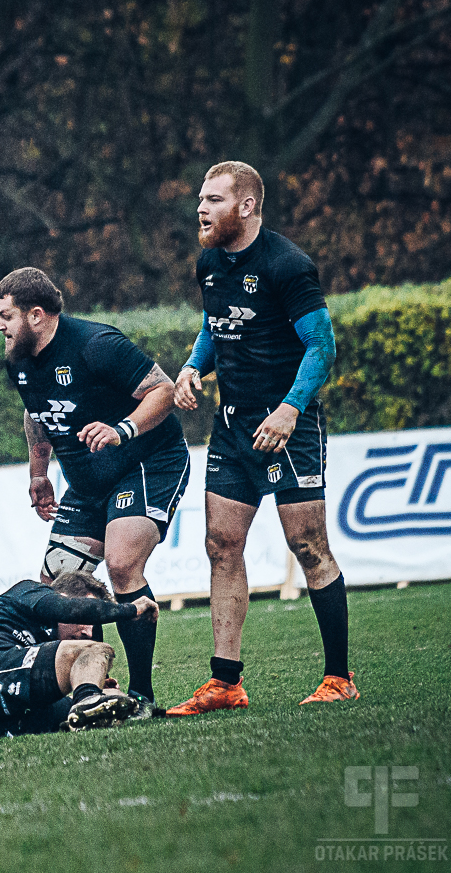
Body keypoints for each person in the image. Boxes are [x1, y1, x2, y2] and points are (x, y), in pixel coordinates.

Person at [168, 161, 354, 715]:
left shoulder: (288, 265)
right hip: (232, 426)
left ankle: (338, 677)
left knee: (309, 547)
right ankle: (225, 684)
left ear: (246, 207)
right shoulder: (209, 262)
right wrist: (192, 367)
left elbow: (323, 348)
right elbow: (215, 323)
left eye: (214, 200)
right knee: (221, 546)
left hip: (288, 430)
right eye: (200, 198)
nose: (201, 209)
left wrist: (291, 409)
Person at [0, 267, 190, 713]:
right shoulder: (18, 359)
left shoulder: (97, 345)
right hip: (86, 482)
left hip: (148, 464)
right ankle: (87, 688)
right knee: (54, 588)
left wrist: (124, 429)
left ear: (37, 315)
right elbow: (36, 415)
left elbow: (163, 389)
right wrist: (38, 473)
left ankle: (141, 694)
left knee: (122, 564)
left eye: (6, 316)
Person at [0, 572, 158, 737]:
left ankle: (89, 703)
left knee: (118, 701)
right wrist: (131, 609)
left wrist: (92, 681)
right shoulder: (29, 590)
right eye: (86, 618)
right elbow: (68, 609)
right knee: (97, 650)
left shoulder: (47, 642)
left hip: (4, 709)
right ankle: (88, 701)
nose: (88, 631)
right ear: (63, 596)